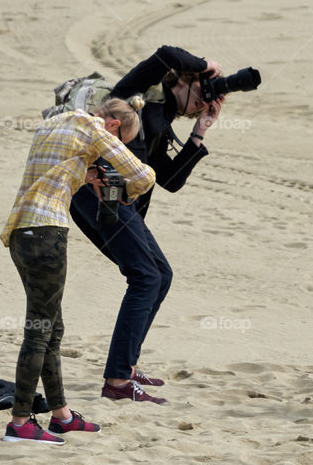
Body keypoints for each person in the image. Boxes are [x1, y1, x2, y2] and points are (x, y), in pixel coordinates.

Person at [68, 46, 224, 404]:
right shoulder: (132, 94)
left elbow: (169, 180)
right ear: (181, 80)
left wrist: (200, 132)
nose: (205, 100)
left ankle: (126, 368)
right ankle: (118, 382)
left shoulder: (163, 119)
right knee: (146, 276)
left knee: (160, 275)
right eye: (202, 91)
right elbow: (166, 54)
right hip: (100, 192)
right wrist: (205, 65)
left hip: (119, 200)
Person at [2, 97, 155, 444]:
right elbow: (145, 175)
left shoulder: (53, 122)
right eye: (121, 139)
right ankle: (20, 422)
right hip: (47, 233)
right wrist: (122, 192)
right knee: (40, 331)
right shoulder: (93, 127)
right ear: (113, 125)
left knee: (51, 328)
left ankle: (62, 416)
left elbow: (51, 173)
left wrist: (85, 176)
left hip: (19, 233)